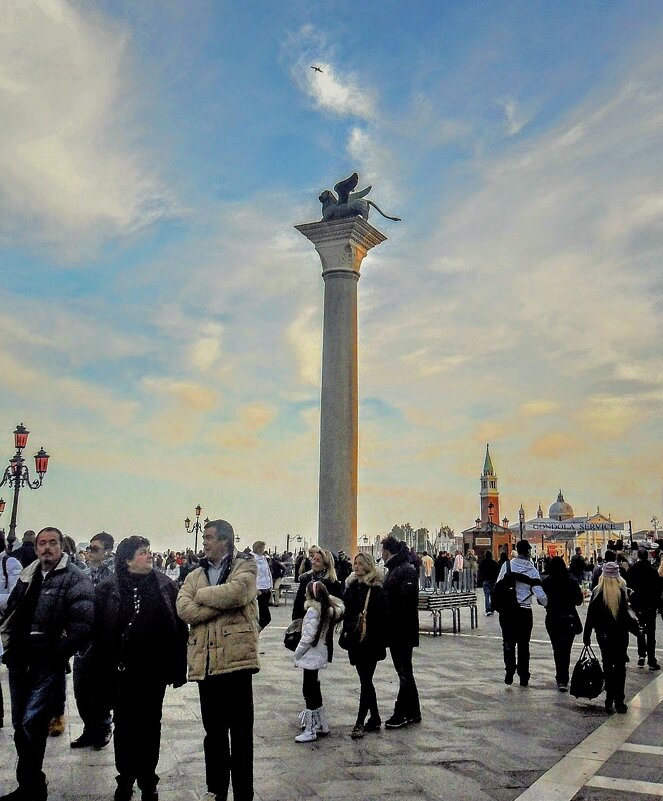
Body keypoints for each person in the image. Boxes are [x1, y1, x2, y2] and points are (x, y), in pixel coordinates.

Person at [0, 526, 94, 801]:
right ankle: (29, 784)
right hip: (19, 658)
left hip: (46, 661)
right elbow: (15, 611)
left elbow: (83, 623)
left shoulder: (74, 578)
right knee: (20, 724)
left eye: (52, 543)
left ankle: (32, 785)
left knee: (31, 723)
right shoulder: (29, 574)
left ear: (62, 546)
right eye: (42, 543)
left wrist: (57, 653)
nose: (46, 548)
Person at [92, 536, 187, 801]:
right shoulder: (108, 588)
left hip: (153, 671)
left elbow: (178, 629)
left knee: (150, 724)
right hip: (121, 671)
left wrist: (178, 667)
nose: (150, 556)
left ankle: (148, 778)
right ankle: (125, 777)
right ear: (127, 559)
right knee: (123, 725)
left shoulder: (165, 585)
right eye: (144, 552)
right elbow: (99, 634)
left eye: (149, 551)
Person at [176, 519, 259, 801]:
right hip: (206, 664)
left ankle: (244, 794)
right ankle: (217, 790)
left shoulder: (245, 565)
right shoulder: (194, 573)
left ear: (225, 540)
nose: (205, 542)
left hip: (236, 663)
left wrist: (202, 597)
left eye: (209, 537)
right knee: (213, 733)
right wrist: (217, 604)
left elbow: (239, 592)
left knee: (241, 734)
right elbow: (184, 609)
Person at [71, 531, 116, 750]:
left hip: (104, 638)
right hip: (83, 638)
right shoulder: (84, 573)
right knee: (81, 688)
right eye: (89, 548)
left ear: (107, 551)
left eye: (95, 549)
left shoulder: (116, 574)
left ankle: (103, 726)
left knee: (100, 688)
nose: (89, 553)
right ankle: (90, 728)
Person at [341, 553, 389, 738]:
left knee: (366, 680)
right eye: (355, 563)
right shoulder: (351, 586)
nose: (357, 566)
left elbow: (383, 615)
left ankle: (360, 721)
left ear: (368, 566)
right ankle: (375, 717)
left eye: (361, 563)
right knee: (365, 679)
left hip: (371, 640)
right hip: (355, 640)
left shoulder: (375, 589)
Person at [293, 580, 344, 742]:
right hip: (319, 653)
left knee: (308, 690)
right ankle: (322, 723)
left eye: (307, 591)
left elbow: (307, 637)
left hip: (309, 655)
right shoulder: (328, 611)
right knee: (314, 687)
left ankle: (310, 728)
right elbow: (340, 606)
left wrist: (297, 653)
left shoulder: (312, 612)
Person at [584, 561, 638, 713]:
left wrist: (587, 635)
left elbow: (591, 616)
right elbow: (628, 616)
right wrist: (638, 632)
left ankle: (609, 698)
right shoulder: (623, 591)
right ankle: (620, 700)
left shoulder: (597, 591)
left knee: (607, 665)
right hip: (620, 635)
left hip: (604, 635)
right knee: (620, 666)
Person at [495, 539, 547, 687]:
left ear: (517, 551)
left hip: (507, 611)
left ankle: (509, 670)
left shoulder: (507, 566)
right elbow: (540, 594)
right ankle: (524, 675)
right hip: (524, 611)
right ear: (529, 552)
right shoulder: (532, 569)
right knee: (524, 645)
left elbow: (498, 585)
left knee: (508, 642)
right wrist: (547, 604)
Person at [381, 536, 421, 728]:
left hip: (401, 630)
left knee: (404, 672)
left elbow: (405, 603)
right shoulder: (400, 569)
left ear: (387, 552)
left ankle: (401, 713)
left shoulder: (404, 570)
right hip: (401, 629)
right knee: (406, 672)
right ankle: (414, 711)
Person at [541, 556, 583, 692]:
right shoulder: (572, 581)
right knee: (566, 649)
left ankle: (561, 678)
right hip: (569, 618)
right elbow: (579, 600)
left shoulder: (547, 582)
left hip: (553, 618)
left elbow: (540, 600)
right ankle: (564, 678)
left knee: (557, 648)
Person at [627, 548, 661, 670]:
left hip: (637, 606)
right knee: (651, 634)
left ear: (639, 556)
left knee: (640, 631)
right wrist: (656, 604)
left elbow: (628, 588)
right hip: (650, 606)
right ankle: (651, 660)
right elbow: (658, 589)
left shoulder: (632, 570)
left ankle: (641, 656)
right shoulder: (652, 572)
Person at [292, 549, 342, 622]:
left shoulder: (333, 584)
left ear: (325, 564)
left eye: (318, 561)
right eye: (313, 559)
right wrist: (296, 620)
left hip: (324, 624)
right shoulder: (306, 579)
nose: (313, 562)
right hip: (305, 622)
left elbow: (339, 608)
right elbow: (298, 603)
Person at [251, 541, 273, 630]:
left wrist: (270, 585)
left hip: (266, 588)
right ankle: (255, 632)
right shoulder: (251, 558)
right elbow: (252, 575)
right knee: (266, 617)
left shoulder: (264, 558)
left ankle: (255, 632)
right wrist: (255, 588)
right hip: (258, 590)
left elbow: (268, 572)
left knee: (262, 616)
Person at [477, 550, 499, 616]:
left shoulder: (482, 562)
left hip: (485, 580)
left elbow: (480, 571)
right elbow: (497, 571)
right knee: (493, 595)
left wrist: (482, 578)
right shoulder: (494, 563)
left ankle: (488, 609)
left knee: (487, 595)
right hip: (493, 580)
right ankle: (492, 609)